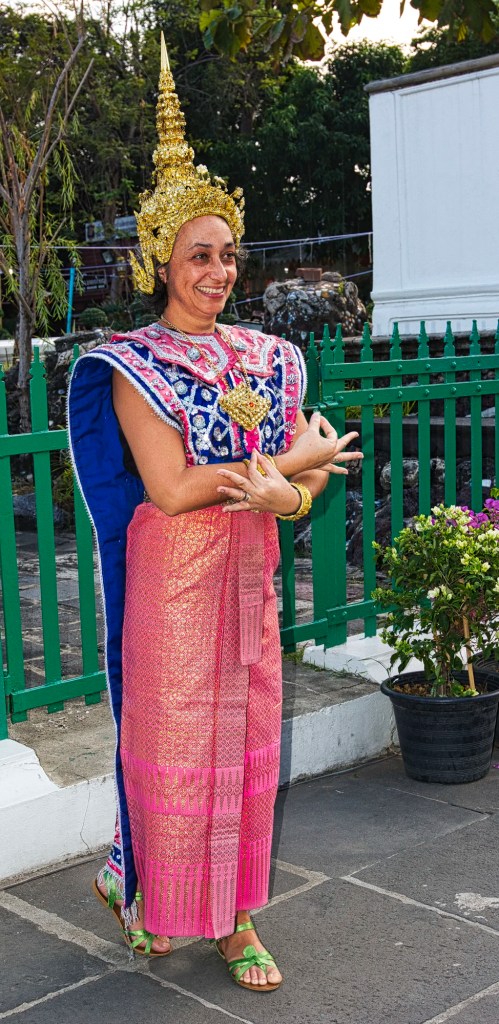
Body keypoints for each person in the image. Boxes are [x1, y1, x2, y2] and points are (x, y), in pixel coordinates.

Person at [68, 36, 362, 992]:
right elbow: (173, 487)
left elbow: (287, 489)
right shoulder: (133, 364)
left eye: (228, 254)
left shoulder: (269, 357)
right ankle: (145, 885)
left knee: (246, 748)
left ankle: (234, 920)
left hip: (247, 576)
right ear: (161, 258)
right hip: (173, 579)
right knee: (173, 748)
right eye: (199, 255)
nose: (218, 270)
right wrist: (293, 461)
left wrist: (295, 490)